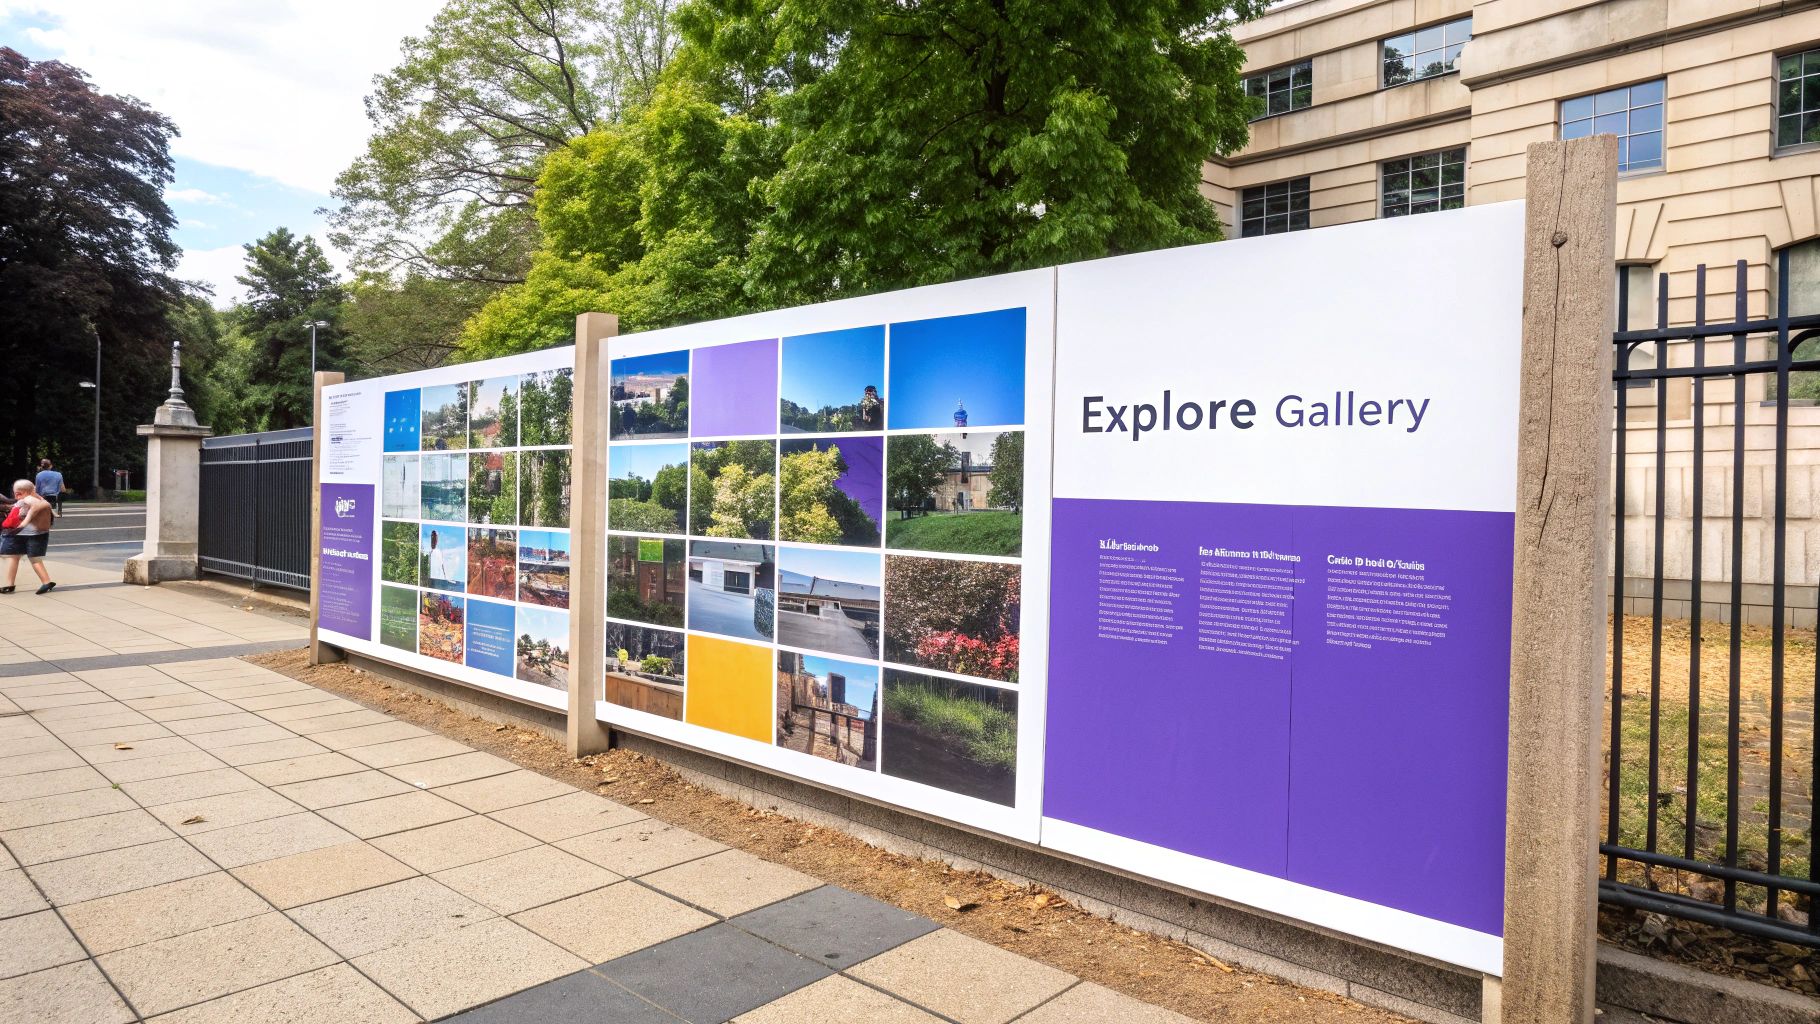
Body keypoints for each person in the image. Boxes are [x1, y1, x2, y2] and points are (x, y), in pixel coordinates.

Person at [0, 480, 55, 594]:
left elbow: (31, 509)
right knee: (27, 558)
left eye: (18, 493)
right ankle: (45, 582)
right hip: (33, 534)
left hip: (26, 534)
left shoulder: (27, 500)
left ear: (22, 492)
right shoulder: (38, 499)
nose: (16, 495)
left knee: (21, 558)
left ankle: (11, 584)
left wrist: (24, 520)